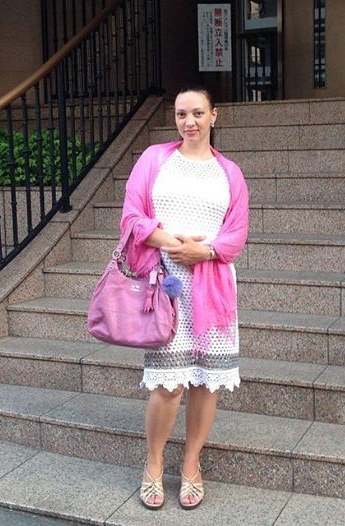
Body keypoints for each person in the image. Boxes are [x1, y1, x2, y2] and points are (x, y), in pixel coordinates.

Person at [119, 84, 249, 510]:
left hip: (214, 288)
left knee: (206, 382)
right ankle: (154, 463)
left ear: (214, 115)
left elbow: (237, 233)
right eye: (180, 114)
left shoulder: (230, 172)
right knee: (169, 384)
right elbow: (132, 216)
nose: (189, 122)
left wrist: (204, 252)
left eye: (197, 113)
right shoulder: (154, 159)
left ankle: (191, 462)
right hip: (166, 285)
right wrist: (172, 243)